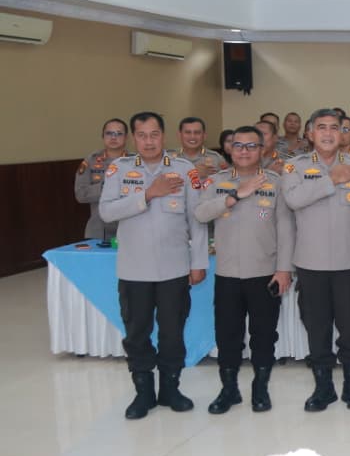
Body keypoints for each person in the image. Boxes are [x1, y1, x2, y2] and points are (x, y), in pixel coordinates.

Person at [98, 112, 208, 419]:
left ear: (164, 136)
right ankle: (143, 393)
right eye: (142, 135)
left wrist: (198, 262)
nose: (149, 141)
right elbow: (106, 212)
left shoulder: (184, 170)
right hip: (134, 270)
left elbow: (197, 220)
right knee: (137, 332)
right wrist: (148, 194)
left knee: (172, 332)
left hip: (174, 269)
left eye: (154, 134)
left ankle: (171, 389)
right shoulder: (119, 169)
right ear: (134, 138)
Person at [283, 109, 350, 412]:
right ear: (310, 133)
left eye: (334, 128)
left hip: (348, 262)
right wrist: (331, 179)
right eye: (321, 127)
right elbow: (293, 200)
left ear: (343, 134)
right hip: (310, 263)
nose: (328, 133)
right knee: (317, 327)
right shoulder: (294, 167)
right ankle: (323, 388)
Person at [195, 126, 294, 414]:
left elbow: (286, 229)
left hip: (265, 273)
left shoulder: (276, 182)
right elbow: (200, 214)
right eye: (238, 145)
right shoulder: (216, 181)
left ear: (262, 150)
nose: (244, 151)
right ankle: (229, 390)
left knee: (264, 335)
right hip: (227, 274)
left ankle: (260, 388)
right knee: (227, 335)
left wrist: (284, 269)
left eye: (251, 146)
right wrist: (235, 195)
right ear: (229, 149)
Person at [75, 118, 128, 240]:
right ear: (102, 136)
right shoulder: (90, 161)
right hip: (99, 229)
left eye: (119, 133)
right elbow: (80, 194)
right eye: (109, 133)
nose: (113, 137)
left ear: (126, 138)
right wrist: (107, 186)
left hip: (129, 228)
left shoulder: (136, 162)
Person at [175, 116, 227, 181]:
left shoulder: (216, 159)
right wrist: (193, 173)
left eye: (197, 132)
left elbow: (226, 183)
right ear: (179, 135)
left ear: (204, 136)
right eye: (188, 132)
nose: (192, 136)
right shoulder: (169, 158)